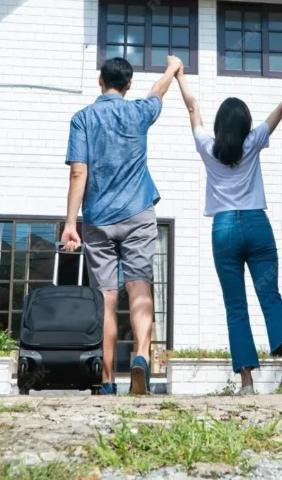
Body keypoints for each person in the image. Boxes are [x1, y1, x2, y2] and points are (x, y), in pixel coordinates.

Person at [175, 63, 282, 394]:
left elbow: (192, 106)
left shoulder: (206, 146)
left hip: (224, 229)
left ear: (219, 124)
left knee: (236, 306)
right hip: (257, 224)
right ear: (245, 124)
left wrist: (180, 76)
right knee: (269, 295)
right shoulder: (254, 141)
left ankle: (247, 383)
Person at [62, 55, 183, 395]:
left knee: (107, 300)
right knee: (139, 286)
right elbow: (158, 91)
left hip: (98, 219)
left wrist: (71, 223)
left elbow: (78, 172)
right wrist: (171, 69)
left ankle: (107, 381)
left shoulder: (83, 118)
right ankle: (142, 357)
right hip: (138, 213)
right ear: (129, 85)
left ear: (100, 79)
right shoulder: (139, 112)